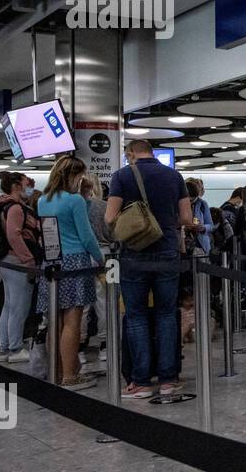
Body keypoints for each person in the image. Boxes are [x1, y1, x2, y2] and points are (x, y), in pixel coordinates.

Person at [106, 139, 192, 398]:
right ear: (152, 153)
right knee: (167, 314)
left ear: (130, 153)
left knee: (136, 316)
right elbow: (186, 219)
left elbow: (110, 218)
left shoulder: (121, 176)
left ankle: (141, 382)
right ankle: (168, 380)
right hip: (167, 250)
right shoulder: (174, 176)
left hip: (133, 254)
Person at [38, 156, 104, 390]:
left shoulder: (43, 200)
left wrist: (84, 198)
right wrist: (101, 259)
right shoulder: (74, 200)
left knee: (54, 322)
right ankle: (70, 376)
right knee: (72, 322)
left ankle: (56, 373)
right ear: (73, 176)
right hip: (76, 262)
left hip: (52, 262)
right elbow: (86, 236)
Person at [0, 171, 41, 365]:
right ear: (16, 186)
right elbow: (14, 236)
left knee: (9, 306)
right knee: (19, 307)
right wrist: (28, 260)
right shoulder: (16, 209)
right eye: (26, 183)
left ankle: (5, 348)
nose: (29, 186)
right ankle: (15, 348)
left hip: (6, 261)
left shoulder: (2, 205)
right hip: (17, 262)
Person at [80, 177, 110, 355]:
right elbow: (111, 233)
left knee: (81, 304)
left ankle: (80, 346)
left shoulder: (74, 205)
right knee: (104, 301)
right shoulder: (103, 206)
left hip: (81, 255)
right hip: (104, 253)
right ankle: (106, 344)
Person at [185, 178, 214, 256]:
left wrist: (203, 227)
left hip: (200, 246)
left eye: (194, 199)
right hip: (183, 245)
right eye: (189, 199)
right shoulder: (178, 204)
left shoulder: (202, 204)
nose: (191, 202)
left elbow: (211, 225)